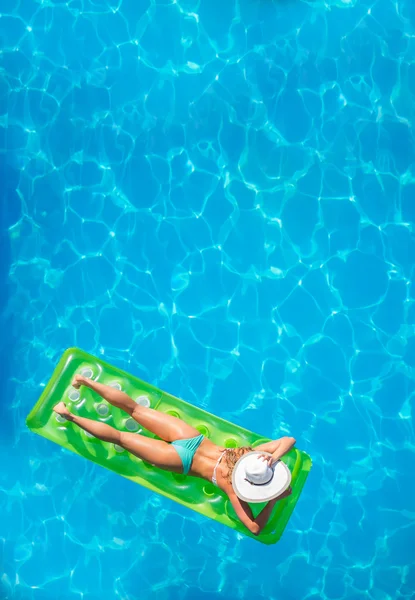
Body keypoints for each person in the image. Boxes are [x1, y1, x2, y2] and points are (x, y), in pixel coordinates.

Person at [53, 375, 296, 536]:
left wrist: (273, 458)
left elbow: (289, 441)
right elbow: (254, 528)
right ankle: (68, 415)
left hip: (193, 439)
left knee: (135, 409)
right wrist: (273, 500)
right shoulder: (234, 490)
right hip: (182, 462)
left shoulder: (253, 455)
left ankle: (83, 380)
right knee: (121, 438)